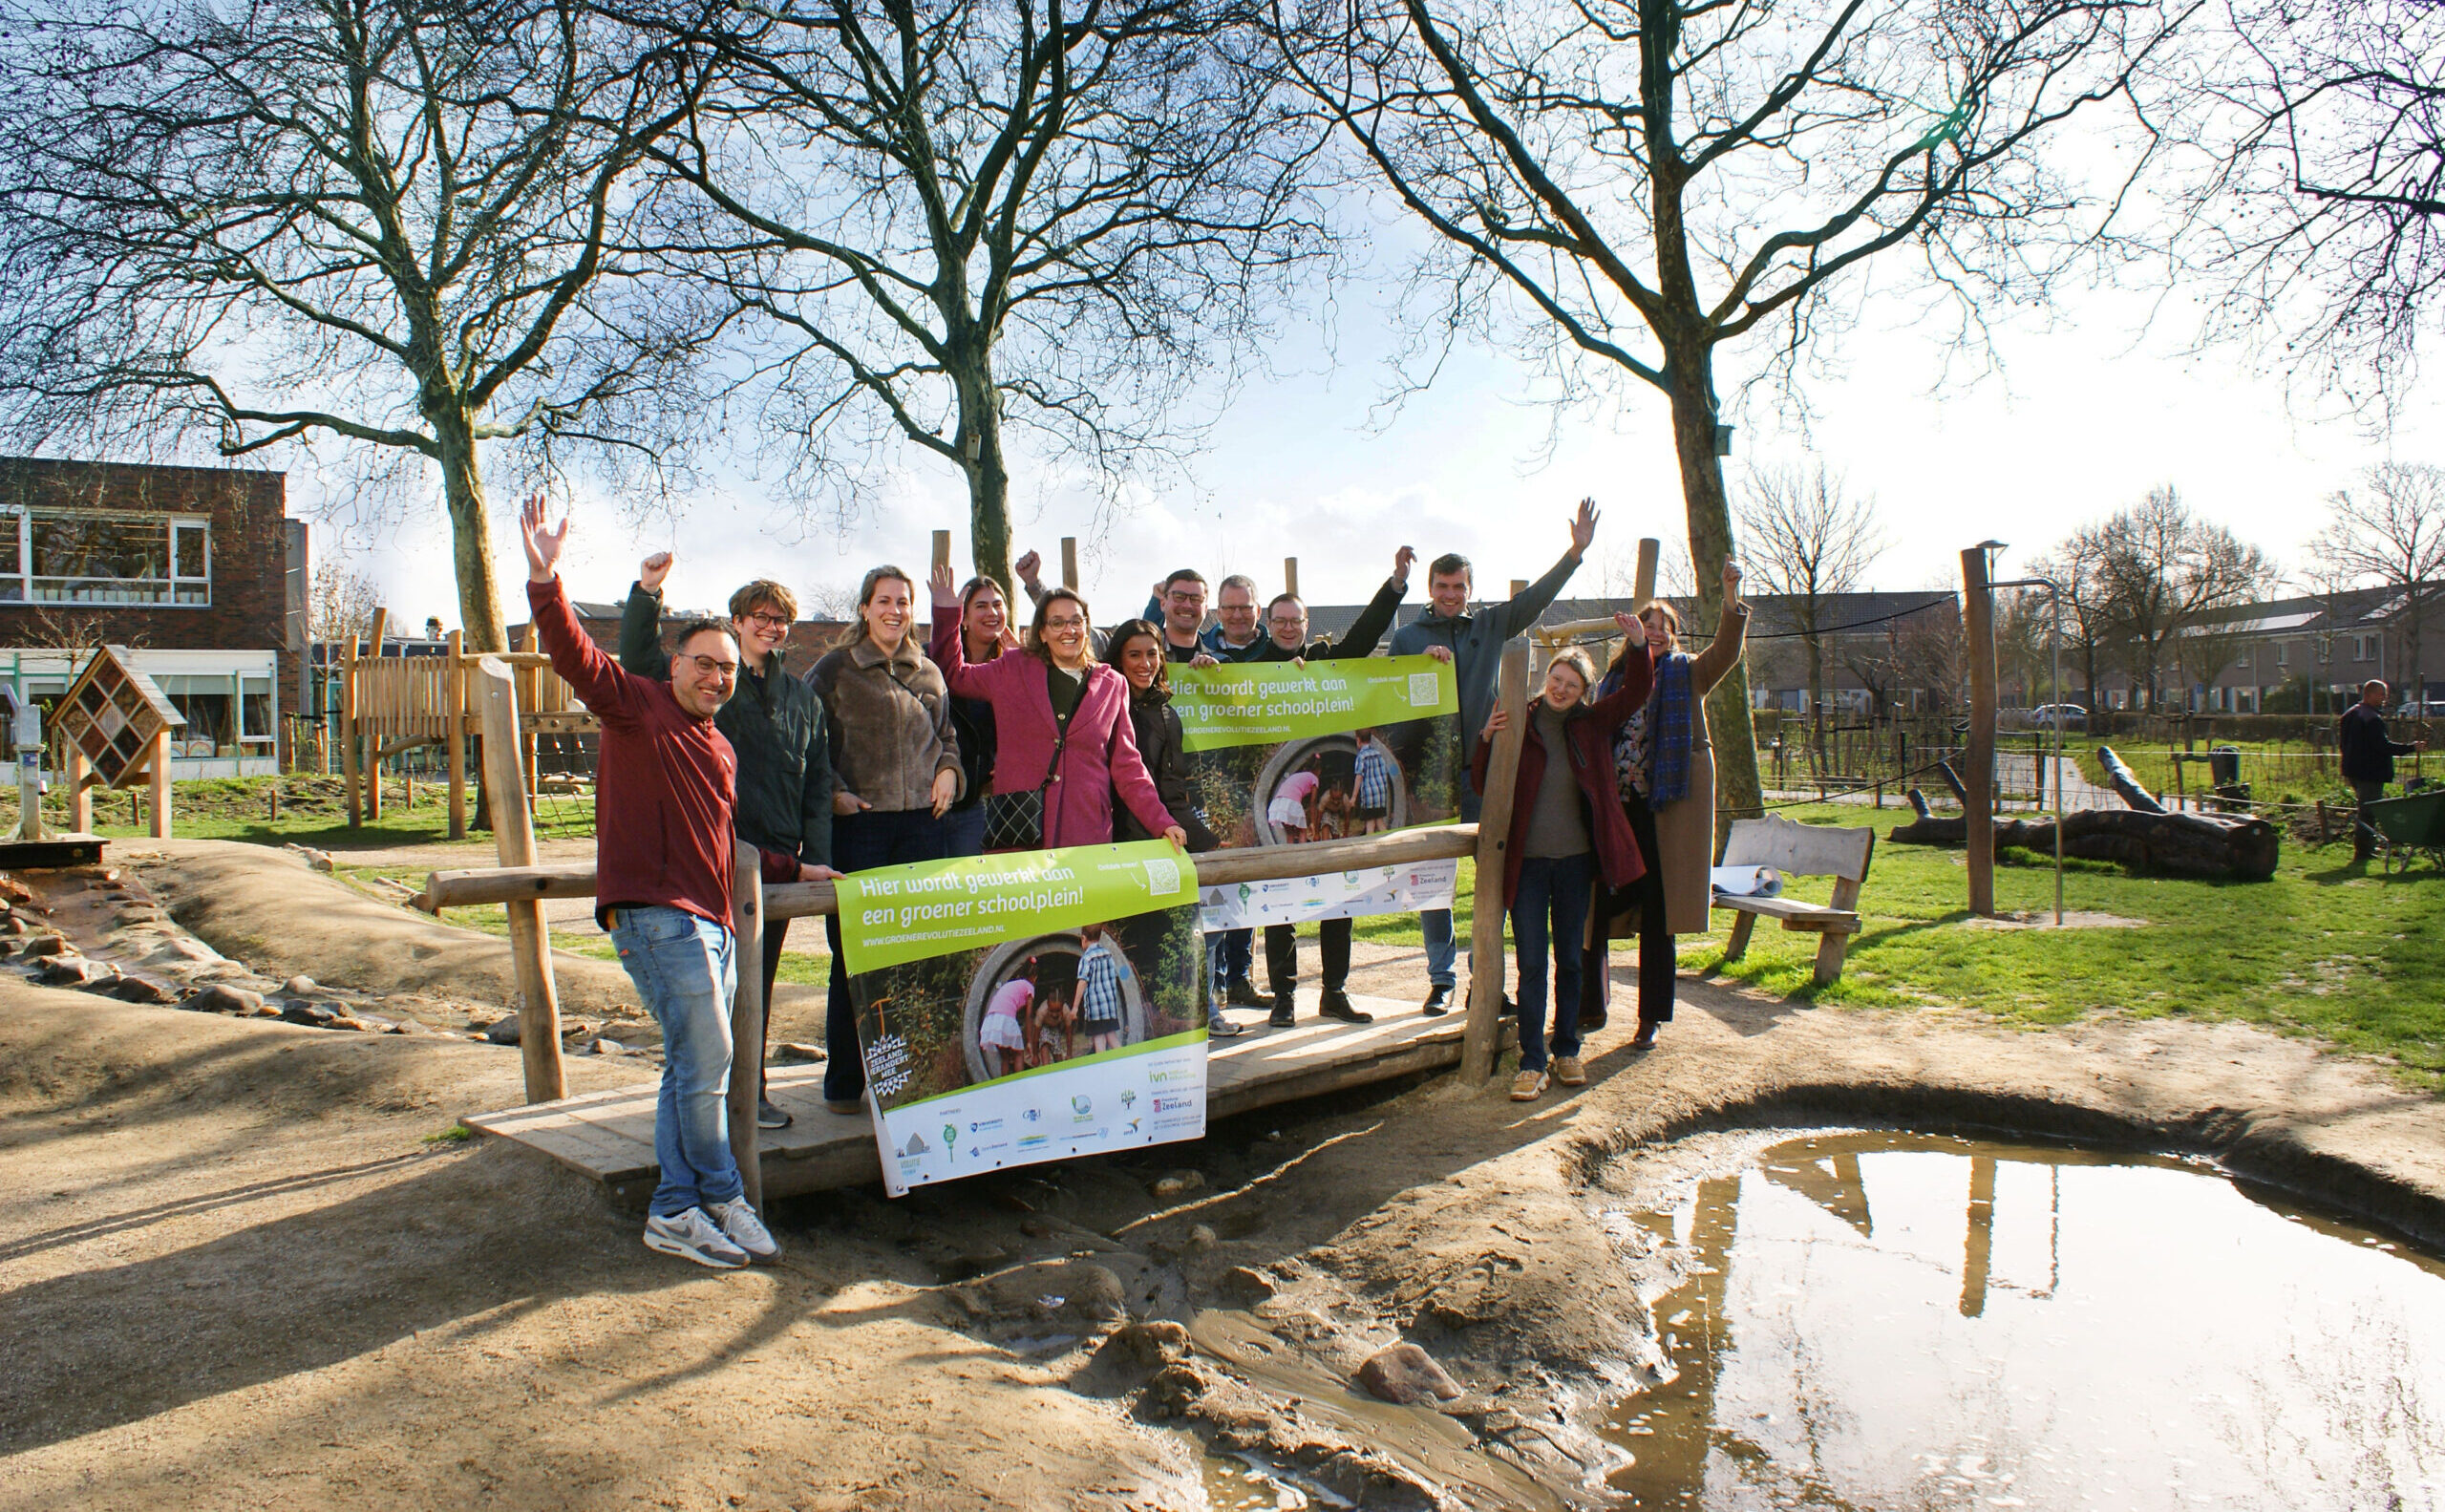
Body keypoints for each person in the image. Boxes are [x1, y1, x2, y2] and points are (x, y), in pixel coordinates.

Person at [519, 493, 819, 1271]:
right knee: (713, 1057)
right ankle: (720, 1192)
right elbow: (575, 654)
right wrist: (547, 581)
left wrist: (794, 868)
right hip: (657, 915)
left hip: (715, 920)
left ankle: (674, 1207)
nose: (717, 676)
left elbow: (726, 839)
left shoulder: (717, 746)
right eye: (705, 663)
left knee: (689, 1061)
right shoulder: (636, 706)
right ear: (675, 664)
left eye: (727, 668)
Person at [620, 559, 835, 1133]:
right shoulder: (714, 684)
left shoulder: (802, 700)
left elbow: (818, 785)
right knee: (712, 988)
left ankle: (751, 1093)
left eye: (782, 619)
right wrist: (646, 595)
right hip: (715, 857)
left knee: (757, 984)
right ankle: (705, 1103)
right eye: (761, 616)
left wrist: (815, 855)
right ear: (738, 621)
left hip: (778, 860)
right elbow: (639, 661)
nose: (773, 627)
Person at [1390, 498, 1600, 1014]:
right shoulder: (1408, 637)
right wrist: (1419, 665)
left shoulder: (1487, 626)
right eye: (1441, 588)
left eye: (1458, 587)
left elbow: (1535, 602)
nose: (1450, 596)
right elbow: (1390, 694)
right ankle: (1440, 979)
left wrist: (1574, 555)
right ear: (1430, 591)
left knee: (1494, 876)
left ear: (1469, 589)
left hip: (1484, 771)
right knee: (1434, 884)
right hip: (1430, 779)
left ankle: (1484, 979)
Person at [807, 566, 964, 1115]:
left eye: (904, 601)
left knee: (917, 952)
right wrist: (836, 794)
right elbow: (811, 747)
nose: (895, 610)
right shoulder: (834, 672)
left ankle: (910, 1078)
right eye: (884, 601)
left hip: (923, 826)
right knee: (854, 955)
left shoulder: (928, 673)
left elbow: (948, 737)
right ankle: (845, 1082)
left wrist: (949, 770)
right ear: (865, 608)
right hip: (862, 830)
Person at [1471, 645, 1652, 1102]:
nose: (1561, 689)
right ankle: (1532, 1061)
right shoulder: (1519, 718)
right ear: (1545, 677)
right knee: (1532, 963)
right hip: (1528, 866)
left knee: (1570, 960)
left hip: (1574, 865)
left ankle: (1566, 1049)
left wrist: (1637, 647)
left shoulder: (1592, 723)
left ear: (1583, 692)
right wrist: (1487, 740)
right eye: (1556, 679)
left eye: (1572, 685)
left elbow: (1639, 689)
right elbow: (1481, 785)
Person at [1584, 561, 1749, 1050]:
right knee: (1597, 905)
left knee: (1659, 911)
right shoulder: (1611, 681)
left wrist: (1729, 599)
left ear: (1674, 637)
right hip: (1618, 809)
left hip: (1664, 812)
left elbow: (1726, 652)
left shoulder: (1687, 674)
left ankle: (1650, 1018)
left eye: (1663, 627)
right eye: (1647, 624)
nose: (1654, 632)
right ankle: (1590, 1005)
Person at [1248, 547, 1413, 1025]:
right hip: (1277, 802)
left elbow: (1365, 633)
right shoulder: (1247, 666)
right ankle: (1284, 997)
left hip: (1321, 810)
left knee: (1338, 901)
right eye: (1279, 620)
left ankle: (1334, 992)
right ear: (1267, 622)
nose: (1287, 628)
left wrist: (1396, 584)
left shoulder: (1324, 659)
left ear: (1305, 623)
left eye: (1295, 621)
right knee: (1281, 907)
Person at [925, 564, 1188, 851]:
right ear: (1041, 632)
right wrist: (947, 615)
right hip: (1021, 834)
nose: (1069, 630)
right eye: (1057, 622)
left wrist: (1161, 821)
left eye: (1076, 621)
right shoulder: (1013, 668)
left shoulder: (1112, 684)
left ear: (1087, 628)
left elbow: (1128, 767)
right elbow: (953, 675)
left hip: (1086, 833)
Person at [1103, 618, 1243, 1036]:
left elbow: (1173, 788)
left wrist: (1203, 837)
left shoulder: (1167, 712)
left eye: (1152, 653)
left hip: (1165, 833)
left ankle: (1199, 1009)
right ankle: (1141, 1023)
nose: (1145, 663)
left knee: (1197, 922)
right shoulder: (1105, 704)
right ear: (1117, 658)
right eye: (1134, 654)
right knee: (1136, 938)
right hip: (1118, 840)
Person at [943, 574, 1020, 858]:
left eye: (998, 605)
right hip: (933, 800)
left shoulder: (1012, 669)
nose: (992, 613)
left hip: (978, 803)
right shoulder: (933, 664)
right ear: (962, 619)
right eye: (981, 606)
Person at [2342, 679, 2428, 861]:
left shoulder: (2350, 714)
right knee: (2368, 812)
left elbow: (2344, 744)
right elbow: (2383, 747)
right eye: (2381, 694)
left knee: (2364, 809)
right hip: (2370, 773)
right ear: (2369, 694)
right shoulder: (2372, 719)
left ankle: (2365, 848)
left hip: (2353, 770)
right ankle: (2364, 851)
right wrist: (2411, 747)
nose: (2384, 699)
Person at [1076, 922, 1125, 1054]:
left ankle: (1103, 1071)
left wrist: (1075, 1008)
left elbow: (1082, 981)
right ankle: (1127, 1061)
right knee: (1112, 1038)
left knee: (1099, 1043)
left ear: (1083, 939)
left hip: (1096, 1011)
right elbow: (1118, 973)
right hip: (1109, 1009)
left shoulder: (1086, 958)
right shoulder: (1108, 954)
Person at [1352, 730, 1395, 835]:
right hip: (1381, 795)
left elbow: (1359, 776)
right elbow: (1386, 772)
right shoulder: (1378, 753)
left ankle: (1370, 848)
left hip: (1369, 796)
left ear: (1358, 740)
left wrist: (1354, 797)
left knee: (1370, 824)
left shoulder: (1361, 756)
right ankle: (1389, 842)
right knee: (1380, 822)